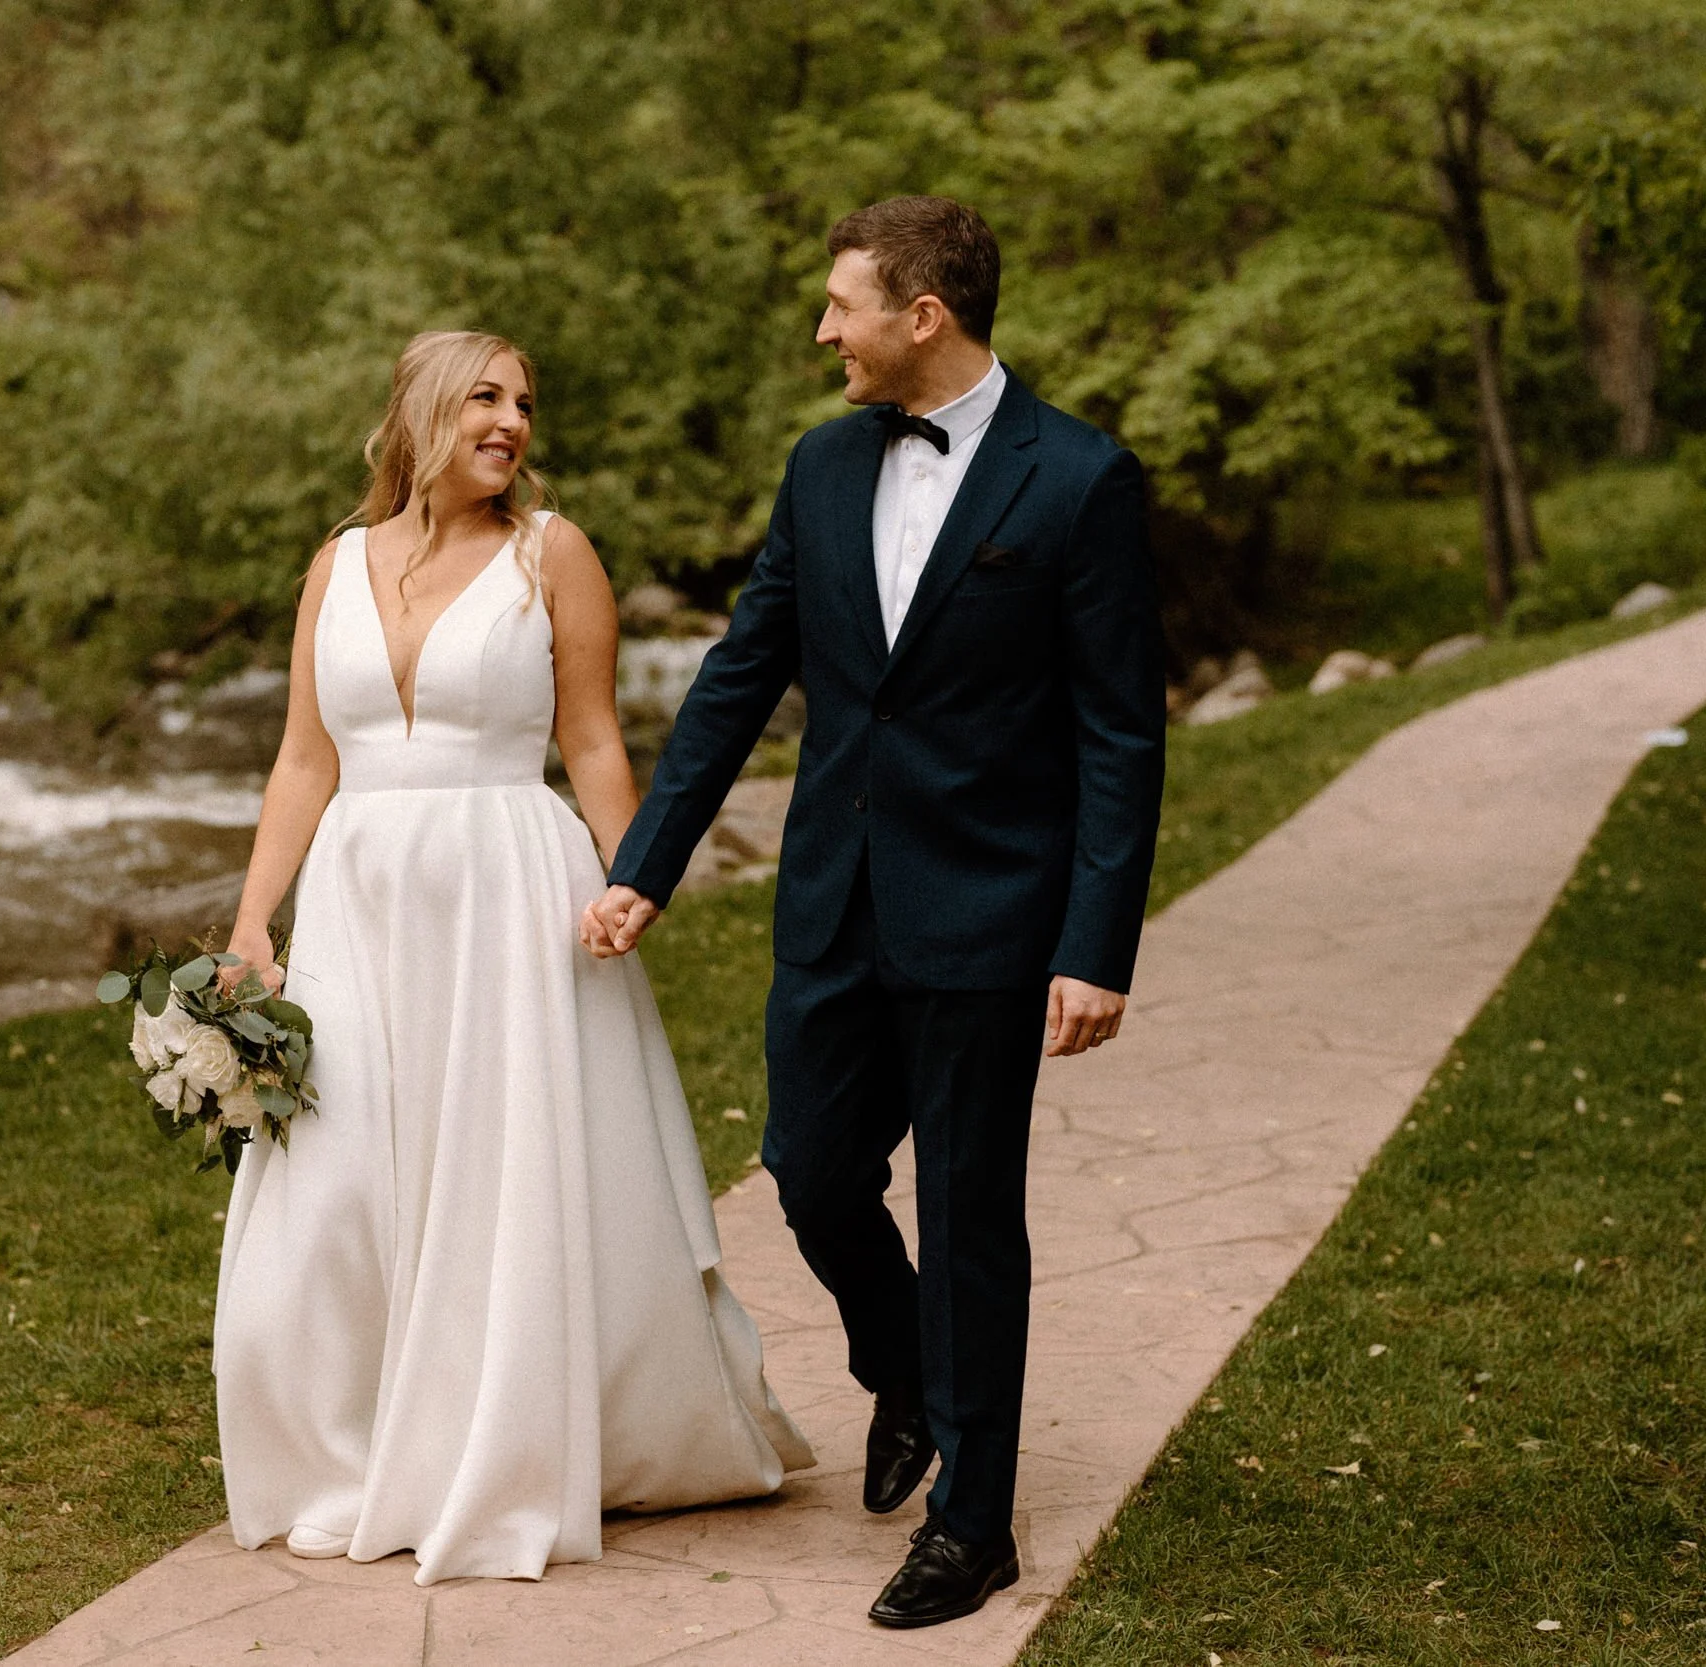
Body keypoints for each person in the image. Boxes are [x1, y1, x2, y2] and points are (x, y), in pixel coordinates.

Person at [582, 196, 1167, 1629]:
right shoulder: (823, 463)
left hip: (991, 906)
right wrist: (647, 859)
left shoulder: (1080, 479)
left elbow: (1119, 730)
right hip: (833, 898)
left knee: (969, 1212)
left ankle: (974, 1521)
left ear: (924, 314)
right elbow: (742, 669)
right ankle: (902, 1367)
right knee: (810, 1168)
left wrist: (1095, 943)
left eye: (841, 305)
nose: (821, 330)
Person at [210, 329, 812, 1586]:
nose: (512, 421)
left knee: (502, 1164)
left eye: (524, 402)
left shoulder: (553, 551)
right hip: (360, 896)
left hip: (508, 886)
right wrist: (255, 919)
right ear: (421, 411)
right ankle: (348, 1442)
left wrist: (632, 874)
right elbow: (305, 757)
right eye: (485, 396)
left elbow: (590, 736)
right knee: (340, 1172)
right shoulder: (335, 562)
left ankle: (510, 1435)